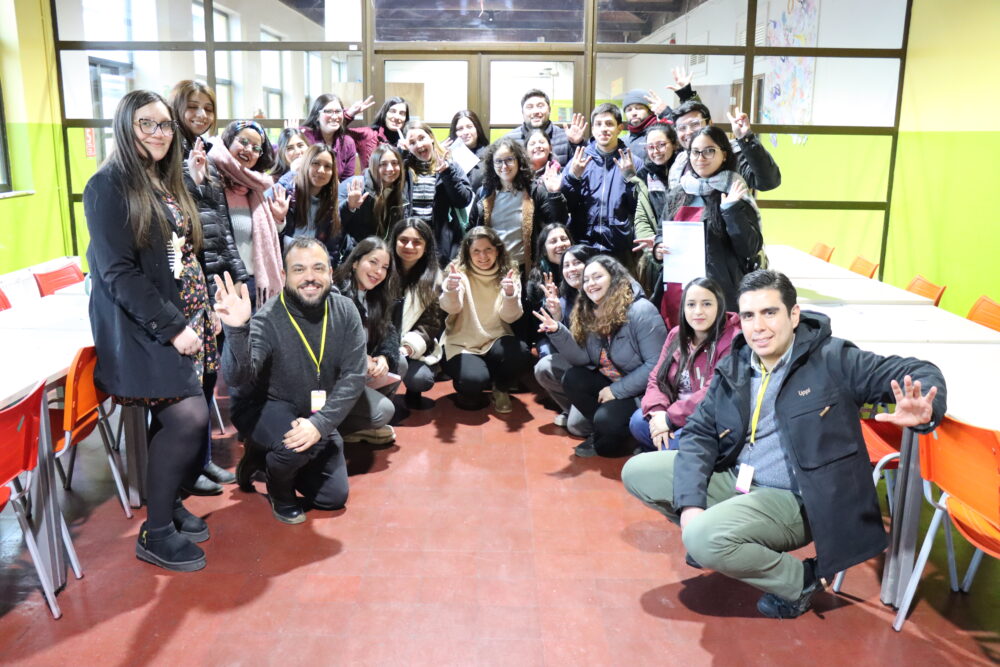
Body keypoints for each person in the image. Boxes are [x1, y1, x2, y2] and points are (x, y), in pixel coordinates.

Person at [621, 269, 947, 619]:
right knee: (638, 471)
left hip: (797, 499)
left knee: (702, 538)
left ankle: (799, 581)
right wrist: (690, 506)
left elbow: (917, 369)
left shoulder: (831, 360)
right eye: (748, 315)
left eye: (769, 312)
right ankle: (721, 538)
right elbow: (701, 432)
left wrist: (927, 405)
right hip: (739, 479)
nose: (758, 327)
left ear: (794, 315)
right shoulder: (737, 363)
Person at [84, 89, 213, 571]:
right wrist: (172, 326)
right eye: (147, 124)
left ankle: (167, 504)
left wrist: (204, 308)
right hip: (145, 326)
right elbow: (118, 272)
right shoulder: (108, 185)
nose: (159, 134)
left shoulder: (161, 178)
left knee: (171, 419)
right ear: (125, 125)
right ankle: (155, 532)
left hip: (181, 316)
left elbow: (179, 253)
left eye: (165, 125)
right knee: (188, 419)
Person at [218, 239, 368, 524]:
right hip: (264, 405)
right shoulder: (268, 318)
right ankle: (280, 491)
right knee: (292, 447)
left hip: (311, 408)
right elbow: (238, 377)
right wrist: (237, 330)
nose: (309, 277)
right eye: (299, 269)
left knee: (332, 497)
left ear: (330, 272)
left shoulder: (345, 310)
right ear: (284, 276)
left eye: (317, 268)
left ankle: (261, 458)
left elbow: (354, 376)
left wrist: (319, 424)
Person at [535, 255, 666, 458]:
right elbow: (583, 359)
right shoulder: (591, 310)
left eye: (597, 277)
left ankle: (619, 431)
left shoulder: (641, 310)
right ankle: (606, 428)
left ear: (614, 277)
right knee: (573, 378)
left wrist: (616, 390)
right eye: (586, 280)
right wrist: (557, 331)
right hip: (611, 381)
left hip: (641, 391)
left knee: (607, 443)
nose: (590, 284)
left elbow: (656, 365)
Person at [660, 125, 763, 325]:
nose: (701, 158)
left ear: (724, 154)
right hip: (680, 290)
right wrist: (657, 247)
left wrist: (731, 209)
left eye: (709, 151)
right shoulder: (679, 192)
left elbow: (750, 247)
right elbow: (661, 232)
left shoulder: (735, 190)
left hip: (720, 291)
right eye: (695, 152)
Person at [628, 277, 740, 452]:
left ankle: (664, 454)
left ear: (720, 305)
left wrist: (669, 419)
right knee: (638, 423)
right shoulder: (676, 334)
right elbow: (657, 378)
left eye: (707, 304)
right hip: (673, 415)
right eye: (691, 304)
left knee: (673, 445)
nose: (698, 311)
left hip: (709, 420)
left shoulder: (733, 339)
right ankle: (664, 452)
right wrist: (658, 412)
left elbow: (715, 392)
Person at [187, 120, 287, 309]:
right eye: (243, 142)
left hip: (256, 284)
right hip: (224, 285)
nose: (249, 150)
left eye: (256, 148)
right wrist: (196, 182)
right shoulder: (211, 178)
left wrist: (279, 219)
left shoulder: (256, 188)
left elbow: (267, 235)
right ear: (228, 141)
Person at [439, 226, 531, 413]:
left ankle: (500, 387)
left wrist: (510, 295)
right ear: (468, 252)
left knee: (521, 353)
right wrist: (450, 290)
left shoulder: (509, 271)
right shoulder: (457, 271)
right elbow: (451, 308)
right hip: (461, 342)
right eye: (476, 251)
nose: (483, 256)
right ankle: (471, 383)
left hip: (495, 337)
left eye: (488, 249)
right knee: (473, 382)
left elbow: (510, 316)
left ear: (497, 250)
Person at [332, 238, 400, 445]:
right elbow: (332, 345)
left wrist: (384, 357)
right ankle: (334, 429)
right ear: (355, 262)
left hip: (358, 374)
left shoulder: (376, 295)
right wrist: (362, 360)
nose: (378, 271)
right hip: (331, 381)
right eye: (373, 262)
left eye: (385, 267)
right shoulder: (337, 293)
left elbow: (389, 331)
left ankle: (357, 426)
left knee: (400, 363)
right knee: (383, 411)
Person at [469, 137, 568, 271]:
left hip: (525, 268)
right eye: (498, 161)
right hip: (491, 268)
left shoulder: (534, 190)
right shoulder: (484, 194)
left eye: (509, 160)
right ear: (492, 164)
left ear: (519, 161)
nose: (504, 166)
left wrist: (554, 194)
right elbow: (471, 231)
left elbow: (557, 223)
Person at [532, 243, 597, 435]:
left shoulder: (600, 293)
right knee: (544, 366)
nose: (571, 269)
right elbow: (569, 345)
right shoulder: (565, 299)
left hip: (603, 370)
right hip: (580, 364)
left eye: (577, 263)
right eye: (566, 266)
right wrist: (558, 316)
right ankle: (574, 408)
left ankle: (600, 414)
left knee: (578, 428)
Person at [561, 103, 639, 264]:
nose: (604, 129)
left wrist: (631, 178)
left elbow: (639, 208)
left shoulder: (633, 162)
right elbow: (564, 205)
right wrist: (573, 178)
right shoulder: (579, 159)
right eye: (598, 124)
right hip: (583, 245)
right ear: (593, 129)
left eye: (609, 124)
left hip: (620, 248)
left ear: (619, 128)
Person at [401, 120, 474, 266]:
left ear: (431, 138)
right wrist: (400, 154)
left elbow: (463, 200)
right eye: (412, 142)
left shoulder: (450, 165)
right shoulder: (403, 169)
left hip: (441, 244)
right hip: (410, 242)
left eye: (422, 138)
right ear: (407, 146)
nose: (419, 145)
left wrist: (447, 172)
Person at [391, 218, 445, 409]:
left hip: (410, 346)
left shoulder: (435, 279)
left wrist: (406, 349)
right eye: (403, 240)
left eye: (417, 242)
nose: (409, 246)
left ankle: (411, 390)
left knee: (421, 379)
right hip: (379, 342)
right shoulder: (381, 270)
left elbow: (431, 325)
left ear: (426, 246)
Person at [667, 100, 781, 192]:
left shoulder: (733, 153)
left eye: (695, 124)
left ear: (710, 124)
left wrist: (746, 138)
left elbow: (769, 182)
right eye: (682, 128)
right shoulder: (679, 162)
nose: (689, 132)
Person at [630, 122, 680, 297]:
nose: (656, 151)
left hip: (686, 251)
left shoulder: (688, 172)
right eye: (651, 147)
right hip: (658, 255)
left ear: (674, 144)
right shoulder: (645, 177)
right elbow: (641, 218)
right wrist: (653, 250)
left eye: (661, 145)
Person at [277, 144, 344, 262]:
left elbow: (332, 249)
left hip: (313, 268)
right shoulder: (285, 192)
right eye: (316, 163)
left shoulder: (331, 205)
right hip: (281, 266)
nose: (321, 170)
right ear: (306, 164)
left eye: (328, 166)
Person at [621, 66, 697, 163]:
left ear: (650, 110)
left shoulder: (663, 132)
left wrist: (686, 95)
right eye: (629, 110)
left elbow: (689, 131)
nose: (634, 113)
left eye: (639, 108)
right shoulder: (622, 141)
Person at [341, 144, 408, 247]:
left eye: (394, 163)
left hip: (382, 256)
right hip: (353, 254)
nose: (390, 169)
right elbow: (332, 222)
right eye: (383, 164)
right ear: (374, 165)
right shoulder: (355, 185)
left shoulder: (401, 192)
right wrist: (349, 207)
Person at [504, 89, 587, 167]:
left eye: (540, 106)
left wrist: (577, 144)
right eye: (529, 107)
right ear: (522, 112)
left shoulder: (566, 137)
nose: (535, 111)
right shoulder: (510, 140)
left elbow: (582, 170)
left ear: (549, 110)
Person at [299, 93, 357, 179]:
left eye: (338, 111)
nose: (334, 116)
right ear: (317, 116)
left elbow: (347, 180)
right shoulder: (303, 136)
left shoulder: (347, 143)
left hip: (336, 190)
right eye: (328, 111)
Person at [342, 95, 409, 169]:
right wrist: (349, 115)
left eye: (402, 113)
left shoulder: (409, 141)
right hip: (369, 180)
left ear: (406, 118)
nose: (396, 117)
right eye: (392, 111)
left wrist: (406, 153)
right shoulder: (367, 135)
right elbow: (336, 133)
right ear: (384, 114)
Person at [168, 79, 217, 157]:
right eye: (192, 107)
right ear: (175, 108)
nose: (203, 115)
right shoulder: (168, 148)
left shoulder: (201, 145)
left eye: (208, 109)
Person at [446, 109, 490, 192]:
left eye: (469, 127)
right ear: (454, 132)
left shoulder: (490, 155)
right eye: (460, 129)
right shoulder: (447, 155)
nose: (465, 132)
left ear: (477, 129)